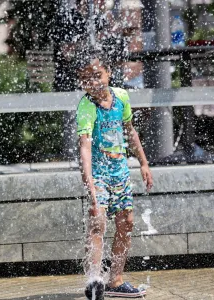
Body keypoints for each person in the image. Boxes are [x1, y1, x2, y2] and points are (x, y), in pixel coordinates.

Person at [76, 51, 153, 299]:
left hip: (119, 170)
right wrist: (88, 178)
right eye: (87, 79)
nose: (94, 83)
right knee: (98, 220)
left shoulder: (121, 97)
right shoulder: (87, 106)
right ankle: (95, 279)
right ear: (81, 83)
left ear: (108, 73)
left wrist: (143, 162)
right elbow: (85, 144)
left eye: (97, 75)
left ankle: (116, 281)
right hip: (98, 172)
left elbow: (129, 130)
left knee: (126, 222)